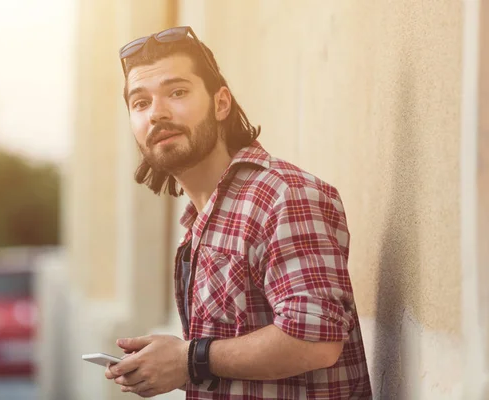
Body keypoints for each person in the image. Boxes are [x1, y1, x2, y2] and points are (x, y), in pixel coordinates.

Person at [105, 26, 372, 399]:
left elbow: (316, 341)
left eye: (177, 92)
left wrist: (189, 359)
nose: (157, 113)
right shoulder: (202, 222)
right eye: (140, 103)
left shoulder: (282, 195)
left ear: (221, 104)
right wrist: (167, 365)